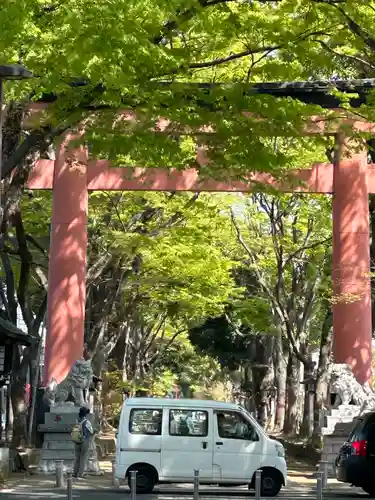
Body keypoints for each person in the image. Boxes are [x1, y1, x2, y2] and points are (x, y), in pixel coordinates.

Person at [72, 406, 94, 479]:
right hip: (84, 441)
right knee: (83, 458)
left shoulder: (76, 420)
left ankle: (74, 473)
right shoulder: (87, 422)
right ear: (85, 414)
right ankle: (80, 474)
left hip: (76, 441)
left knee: (77, 458)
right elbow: (91, 432)